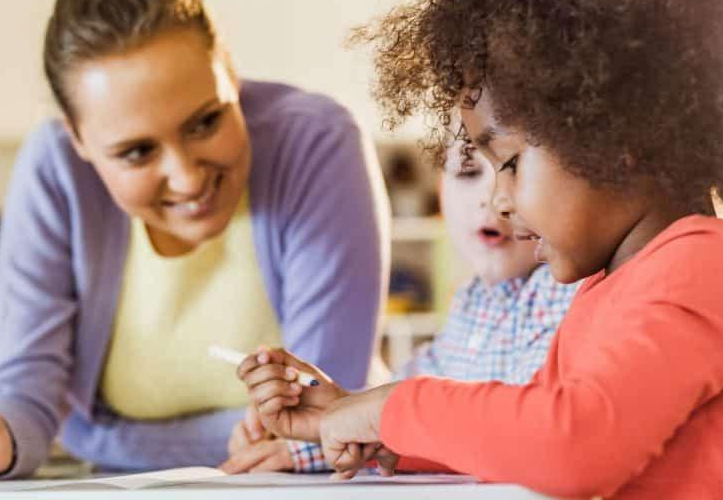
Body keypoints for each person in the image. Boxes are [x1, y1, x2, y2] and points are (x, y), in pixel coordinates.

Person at [239, 0, 723, 497]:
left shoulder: (703, 267)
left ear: (614, 141)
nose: (498, 200)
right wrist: (375, 429)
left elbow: (573, 445)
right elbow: (525, 437)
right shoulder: (609, 287)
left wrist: (395, 406)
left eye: (507, 162)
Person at [0, 0, 388, 486]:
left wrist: (106, 437)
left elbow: (315, 410)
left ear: (230, 73)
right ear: (79, 141)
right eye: (137, 152)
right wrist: (0, 432)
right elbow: (24, 392)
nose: (187, 178)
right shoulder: (53, 169)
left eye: (206, 121)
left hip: (306, 481)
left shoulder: (315, 142)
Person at [223, 135, 578, 474]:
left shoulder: (564, 291)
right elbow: (401, 405)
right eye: (468, 172)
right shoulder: (473, 301)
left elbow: (504, 433)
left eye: (515, 169)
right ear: (440, 189)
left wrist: (335, 428)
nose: (490, 196)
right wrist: (319, 426)